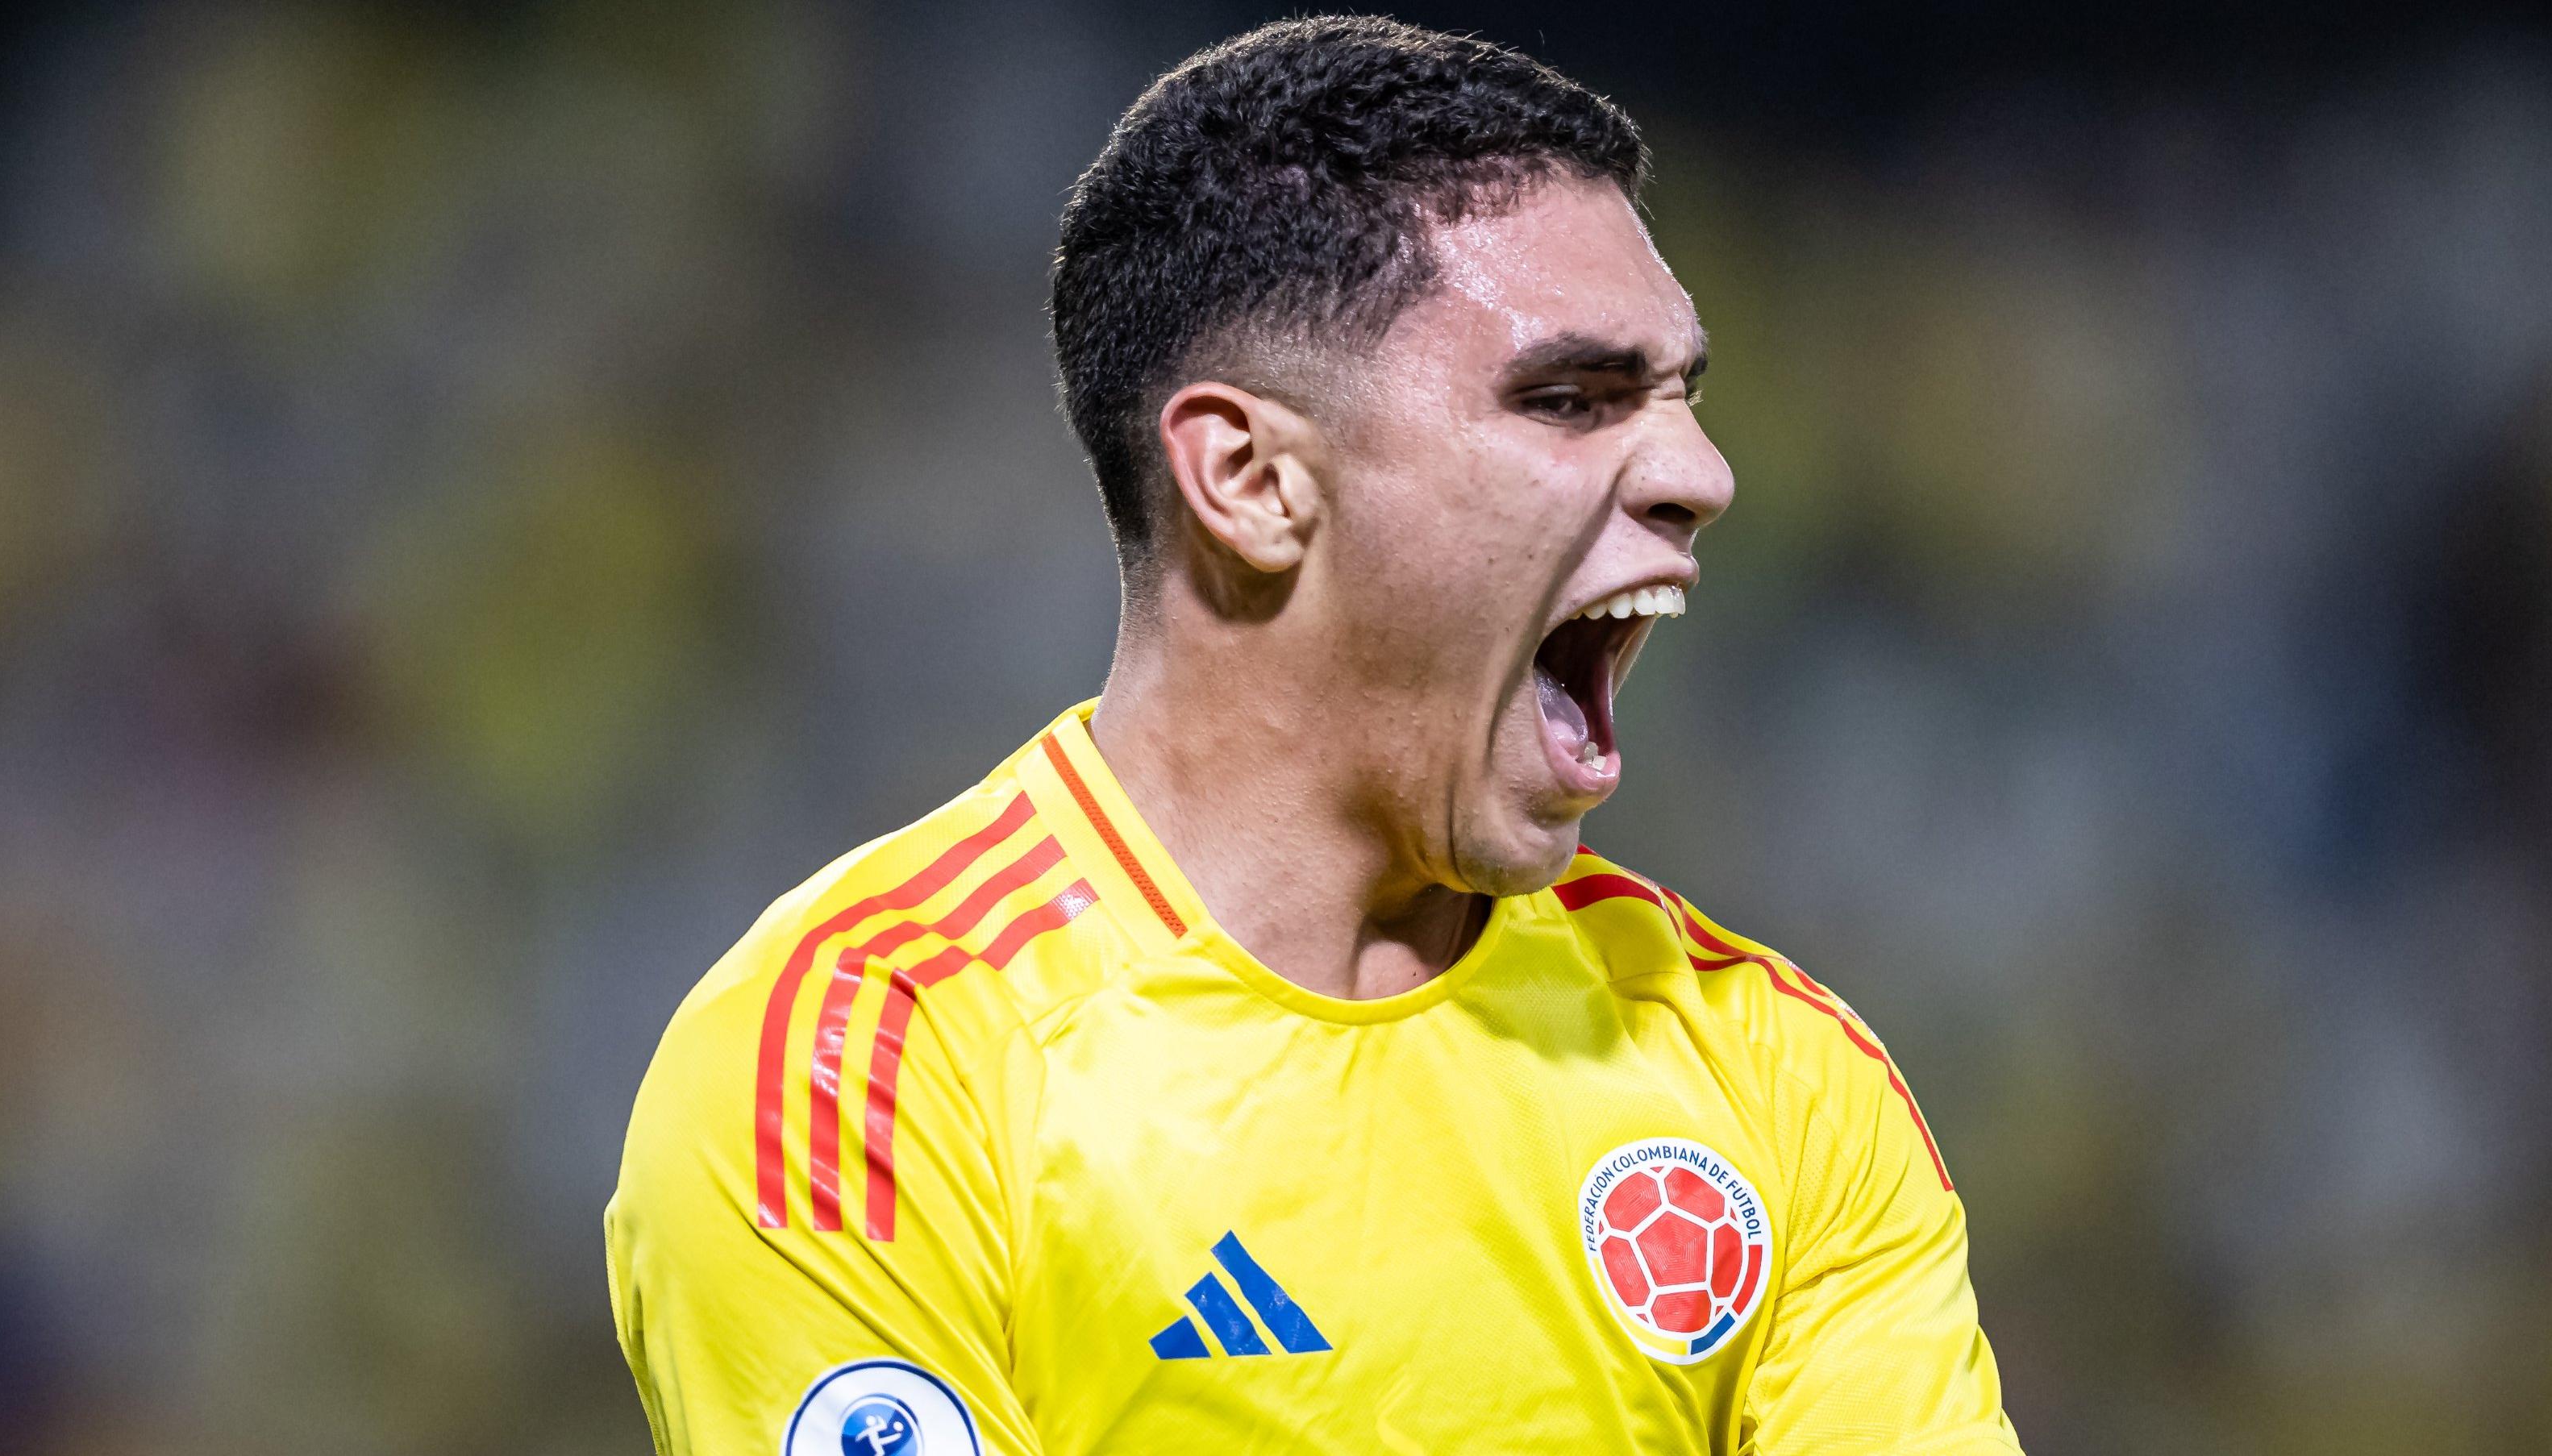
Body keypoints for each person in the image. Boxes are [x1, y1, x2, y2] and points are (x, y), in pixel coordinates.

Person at [606, 16, 2022, 1453]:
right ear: (1251, 479)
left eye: (1677, 398)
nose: (1699, 473)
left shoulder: (1772, 1074)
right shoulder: (869, 1065)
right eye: (1568, 399)